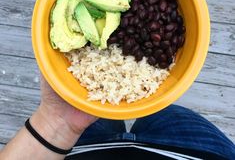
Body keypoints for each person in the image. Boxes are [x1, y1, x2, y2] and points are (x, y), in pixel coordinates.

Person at [0, 75, 235, 160]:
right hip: (194, 151)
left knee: (150, 107)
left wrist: (55, 122)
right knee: (161, 110)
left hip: (77, 145)